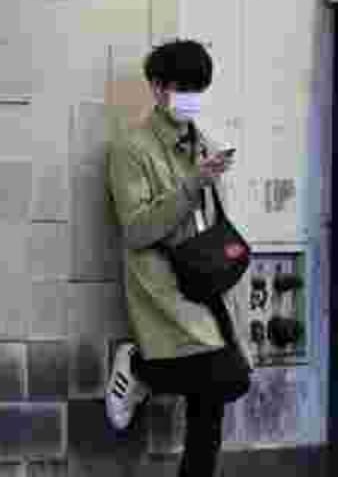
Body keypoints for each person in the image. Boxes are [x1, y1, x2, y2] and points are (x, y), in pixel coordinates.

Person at [104, 39, 254, 477]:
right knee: (220, 378)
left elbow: (208, 223)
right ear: (157, 88)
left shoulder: (204, 144)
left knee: (216, 397)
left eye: (197, 89)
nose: (189, 99)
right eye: (181, 88)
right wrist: (192, 183)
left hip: (204, 284)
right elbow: (136, 229)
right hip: (162, 286)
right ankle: (139, 366)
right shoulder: (131, 149)